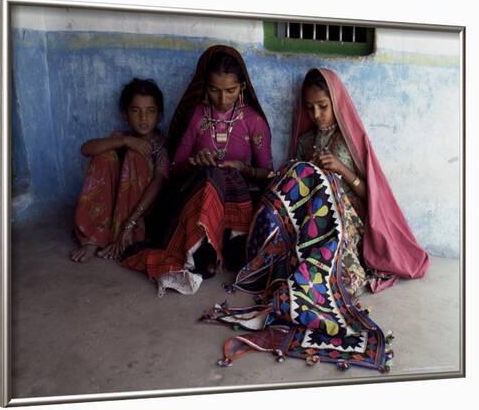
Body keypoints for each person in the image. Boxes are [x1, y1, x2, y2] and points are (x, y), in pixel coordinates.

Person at [201, 68, 429, 372]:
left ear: (337, 102)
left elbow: (370, 198)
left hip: (346, 224)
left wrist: (340, 172)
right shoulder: (306, 141)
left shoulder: (351, 141)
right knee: (295, 176)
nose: (317, 114)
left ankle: (322, 274)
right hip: (311, 224)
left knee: (315, 183)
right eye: (310, 108)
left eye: (323, 106)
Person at [122, 45, 273, 296]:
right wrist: (194, 162)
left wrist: (242, 168)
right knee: (209, 175)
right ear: (204, 87)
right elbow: (175, 168)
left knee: (225, 176)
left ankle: (224, 248)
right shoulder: (196, 116)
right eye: (214, 90)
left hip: (237, 202)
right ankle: (201, 253)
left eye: (230, 91)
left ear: (242, 88)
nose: (222, 99)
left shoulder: (253, 122)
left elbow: (267, 174)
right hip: (197, 197)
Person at [70, 78, 169, 263]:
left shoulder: (161, 147)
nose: (143, 118)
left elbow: (158, 184)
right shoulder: (123, 137)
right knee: (103, 155)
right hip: (116, 205)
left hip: (143, 212)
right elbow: (86, 149)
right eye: (136, 111)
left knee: (136, 157)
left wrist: (129, 224)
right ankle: (94, 236)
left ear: (160, 115)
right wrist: (125, 141)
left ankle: (122, 236)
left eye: (150, 111)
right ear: (125, 114)